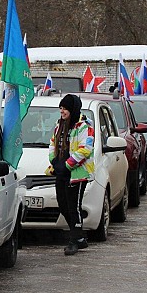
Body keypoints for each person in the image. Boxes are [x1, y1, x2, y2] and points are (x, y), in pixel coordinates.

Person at [47, 94, 95, 255]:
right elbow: (53, 143)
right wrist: (54, 161)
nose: (62, 111)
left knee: (74, 206)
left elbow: (85, 149)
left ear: (72, 109)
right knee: (63, 205)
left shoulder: (84, 126)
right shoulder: (58, 124)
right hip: (61, 171)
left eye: (65, 109)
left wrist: (67, 165)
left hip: (77, 173)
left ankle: (74, 240)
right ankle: (79, 236)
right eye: (61, 108)